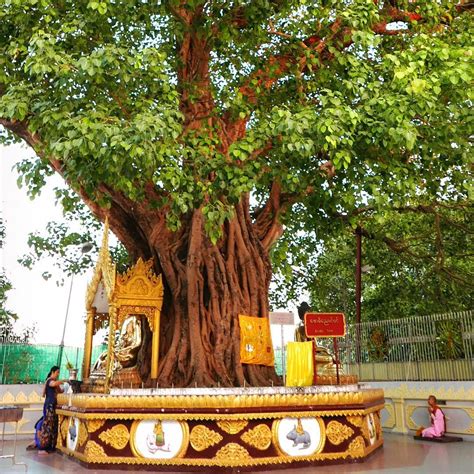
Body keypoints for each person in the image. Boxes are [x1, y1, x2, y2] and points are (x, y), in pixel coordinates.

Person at [34, 366, 67, 454]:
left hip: (54, 406)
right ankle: (42, 447)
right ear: (52, 372)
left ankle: (51, 446)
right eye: (57, 372)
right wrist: (63, 381)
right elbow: (53, 384)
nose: (58, 374)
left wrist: (67, 387)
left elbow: (60, 390)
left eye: (58, 373)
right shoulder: (49, 380)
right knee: (47, 425)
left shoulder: (55, 382)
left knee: (53, 425)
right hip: (49, 406)